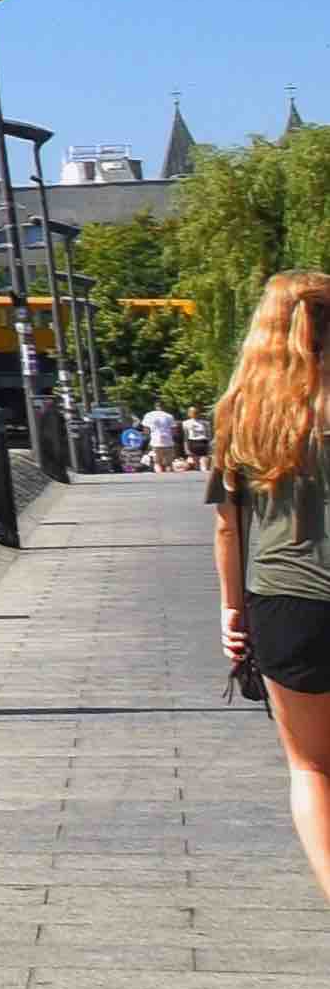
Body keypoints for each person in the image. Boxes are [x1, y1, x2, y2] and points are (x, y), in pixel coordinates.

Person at [211, 277, 330, 912]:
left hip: (284, 600)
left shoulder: (241, 411)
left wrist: (232, 610)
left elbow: (229, 524)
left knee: (310, 765)